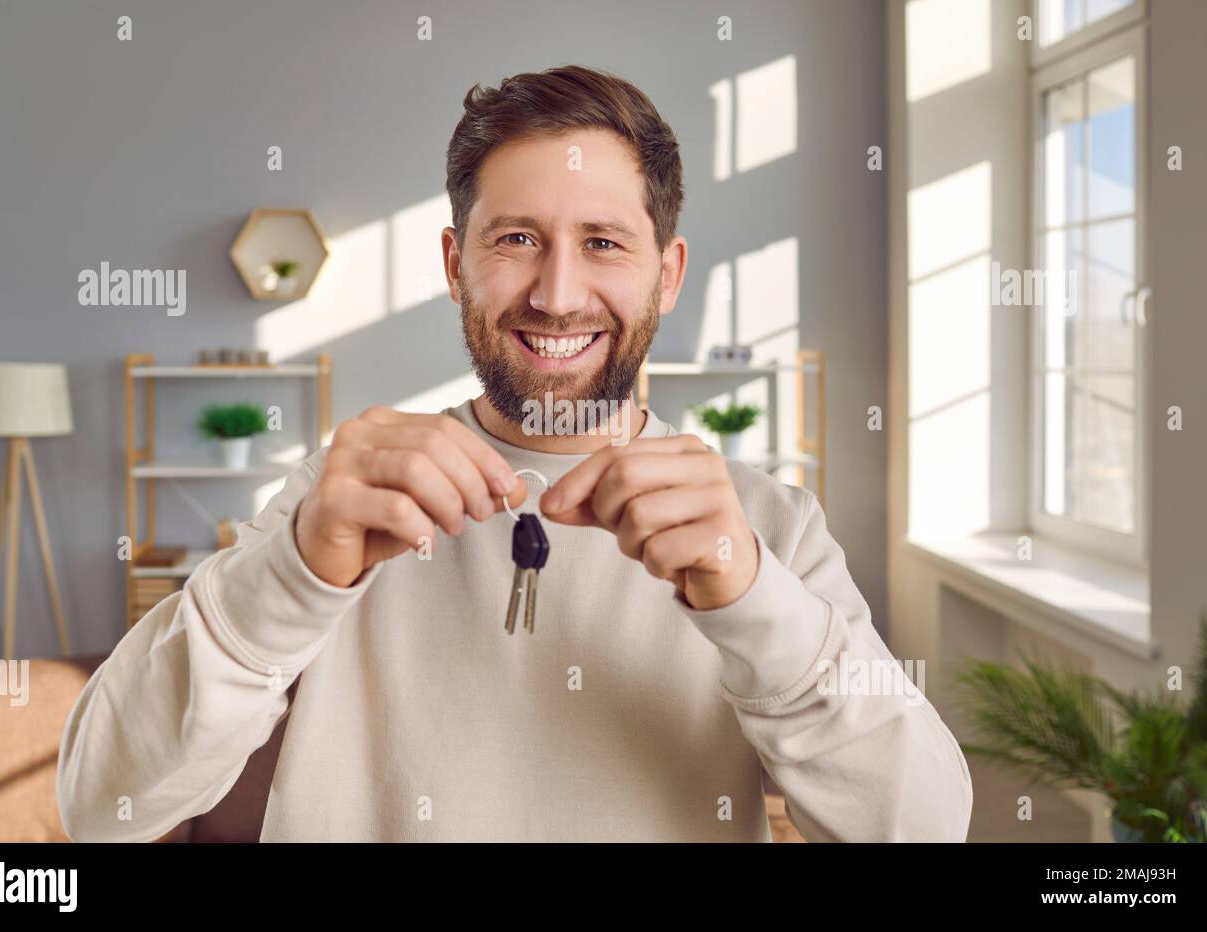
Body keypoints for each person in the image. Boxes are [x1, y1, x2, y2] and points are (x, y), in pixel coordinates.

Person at [58, 64, 972, 842]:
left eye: (604, 243)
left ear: (668, 272)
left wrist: (753, 599)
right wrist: (294, 575)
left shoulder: (767, 525)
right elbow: (100, 804)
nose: (558, 294)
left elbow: (926, 825)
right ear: (457, 265)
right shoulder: (337, 500)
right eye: (518, 240)